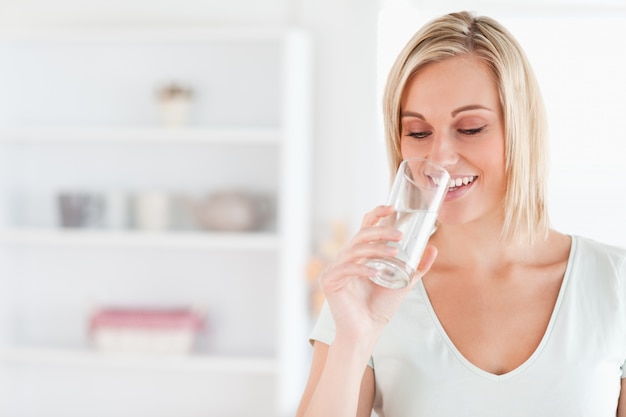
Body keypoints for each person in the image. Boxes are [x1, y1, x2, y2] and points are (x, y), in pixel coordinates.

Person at [296, 10, 626, 417]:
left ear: (520, 132)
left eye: (470, 128)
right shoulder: (370, 292)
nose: (440, 157)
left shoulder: (615, 284)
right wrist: (353, 339)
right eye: (418, 132)